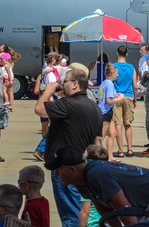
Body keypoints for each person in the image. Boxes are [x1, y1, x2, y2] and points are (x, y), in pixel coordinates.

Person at [35, 65, 102, 227]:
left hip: (66, 168)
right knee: (82, 212)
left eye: (65, 81)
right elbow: (97, 141)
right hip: (85, 168)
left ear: (75, 84)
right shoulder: (95, 108)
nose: (61, 84)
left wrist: (48, 91)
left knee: (71, 215)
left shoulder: (68, 105)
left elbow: (39, 110)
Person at [45, 145, 149, 225]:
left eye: (58, 170)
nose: (57, 174)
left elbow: (125, 208)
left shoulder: (96, 175)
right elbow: (103, 207)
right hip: (143, 205)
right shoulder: (81, 179)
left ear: (72, 170)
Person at [111, 45, 139, 158]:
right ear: (127, 54)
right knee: (128, 124)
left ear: (117, 53)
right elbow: (135, 86)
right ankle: (130, 149)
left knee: (118, 124)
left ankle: (120, 150)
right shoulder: (131, 67)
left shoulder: (113, 67)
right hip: (128, 96)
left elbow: (110, 82)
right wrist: (135, 99)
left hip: (117, 96)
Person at [98, 64, 125, 155]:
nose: (117, 75)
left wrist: (116, 95)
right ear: (112, 73)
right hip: (105, 112)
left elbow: (105, 96)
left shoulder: (105, 82)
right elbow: (109, 100)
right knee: (101, 136)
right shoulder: (109, 84)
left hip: (107, 111)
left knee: (113, 133)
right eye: (117, 73)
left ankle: (109, 156)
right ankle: (95, 154)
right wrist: (119, 98)